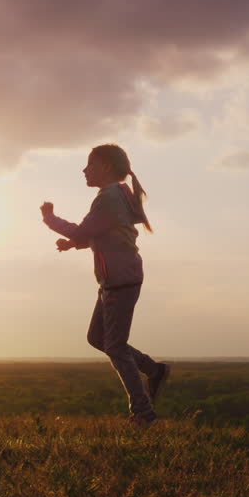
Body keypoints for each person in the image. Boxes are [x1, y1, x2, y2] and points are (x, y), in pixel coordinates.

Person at [40, 144, 170, 427]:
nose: (84, 170)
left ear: (106, 167)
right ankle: (152, 369)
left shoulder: (109, 197)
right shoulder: (116, 195)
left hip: (120, 281)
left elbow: (82, 231)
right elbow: (96, 235)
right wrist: (74, 244)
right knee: (98, 338)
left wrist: (50, 219)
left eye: (90, 164)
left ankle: (143, 413)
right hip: (118, 279)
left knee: (115, 346)